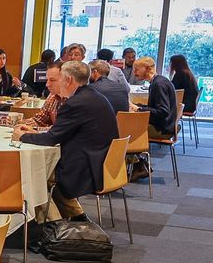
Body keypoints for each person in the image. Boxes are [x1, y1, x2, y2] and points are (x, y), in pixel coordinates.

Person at [14, 61, 118, 220]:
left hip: (85, 167)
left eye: (58, 79)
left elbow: (51, 138)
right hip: (103, 162)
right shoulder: (95, 97)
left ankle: (54, 224)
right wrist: (36, 133)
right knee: (42, 174)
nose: (49, 84)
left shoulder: (75, 103)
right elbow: (60, 133)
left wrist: (21, 136)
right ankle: (73, 219)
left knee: (37, 175)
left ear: (68, 80)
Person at [130, 56, 176, 139]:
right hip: (164, 125)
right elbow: (155, 108)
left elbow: (163, 112)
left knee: (126, 128)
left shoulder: (159, 84)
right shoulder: (158, 81)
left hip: (161, 129)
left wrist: (139, 109)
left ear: (147, 69)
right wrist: (136, 106)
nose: (134, 73)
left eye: (136, 69)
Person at [24, 61, 67, 130]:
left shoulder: (75, 101)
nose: (47, 84)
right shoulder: (52, 96)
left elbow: (62, 130)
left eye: (52, 80)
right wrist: (19, 122)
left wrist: (37, 131)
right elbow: (39, 120)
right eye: (47, 80)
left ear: (67, 80)